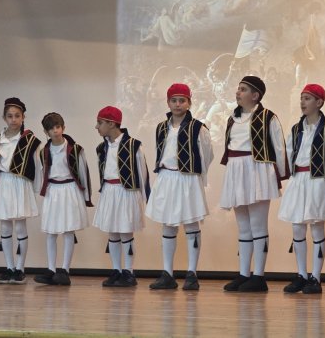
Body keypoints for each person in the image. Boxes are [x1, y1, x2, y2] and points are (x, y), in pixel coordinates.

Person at [219, 76, 289, 292]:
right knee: (243, 227)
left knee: (258, 225)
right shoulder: (233, 118)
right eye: (238, 89)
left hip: (257, 170)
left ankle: (258, 275)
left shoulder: (268, 117)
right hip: (236, 170)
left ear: (255, 95)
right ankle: (243, 274)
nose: (238, 92)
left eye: (243, 89)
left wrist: (280, 175)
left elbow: (279, 146)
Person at [278, 83, 325, 294]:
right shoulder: (295, 130)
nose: (302, 102)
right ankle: (301, 274)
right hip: (299, 179)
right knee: (297, 227)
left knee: (317, 227)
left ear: (319, 102)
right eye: (302, 98)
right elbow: (288, 155)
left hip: (319, 181)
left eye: (307, 98)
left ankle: (315, 277)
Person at [145, 83, 214, 290]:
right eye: (174, 100)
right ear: (168, 102)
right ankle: (167, 273)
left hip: (188, 179)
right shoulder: (161, 127)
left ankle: (192, 273)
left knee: (191, 225)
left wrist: (196, 174)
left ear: (189, 103)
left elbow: (207, 154)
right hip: (167, 177)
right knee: (168, 224)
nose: (177, 104)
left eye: (182, 100)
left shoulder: (198, 128)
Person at [0, 97, 42, 284]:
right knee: (5, 226)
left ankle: (20, 269)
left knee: (19, 226)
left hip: (19, 184)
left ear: (23, 117)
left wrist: (36, 189)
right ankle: (9, 267)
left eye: (17, 116)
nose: (13, 119)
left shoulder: (30, 140)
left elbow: (38, 166)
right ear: (4, 118)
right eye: (9, 116)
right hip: (2, 183)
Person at [93, 106, 150, 288]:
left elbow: (142, 173)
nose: (97, 127)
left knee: (126, 232)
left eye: (100, 123)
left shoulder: (134, 145)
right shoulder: (101, 148)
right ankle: (116, 270)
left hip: (127, 192)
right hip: (109, 191)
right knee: (113, 232)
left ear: (111, 124)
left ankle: (129, 272)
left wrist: (143, 198)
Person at [33, 112, 92, 286]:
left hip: (70, 190)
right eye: (51, 128)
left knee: (68, 231)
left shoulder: (76, 149)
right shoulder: (44, 151)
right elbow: (42, 172)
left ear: (63, 127)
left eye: (58, 127)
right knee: (51, 232)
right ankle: (51, 269)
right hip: (53, 191)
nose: (55, 131)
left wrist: (86, 197)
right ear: (46, 132)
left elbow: (83, 173)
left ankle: (65, 270)